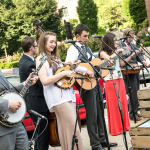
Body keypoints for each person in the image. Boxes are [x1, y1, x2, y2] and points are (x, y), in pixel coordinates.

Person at [65, 24, 117, 150]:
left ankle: (103, 140)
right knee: (92, 115)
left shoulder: (86, 49)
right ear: (77, 36)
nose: (87, 38)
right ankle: (95, 144)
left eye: (87, 36)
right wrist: (85, 71)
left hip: (94, 83)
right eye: (84, 36)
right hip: (85, 84)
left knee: (100, 111)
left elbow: (95, 64)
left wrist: (106, 64)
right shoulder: (73, 49)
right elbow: (70, 64)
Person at [36, 31, 84, 150]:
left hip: (68, 95)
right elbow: (44, 80)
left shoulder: (55, 58)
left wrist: (72, 67)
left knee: (67, 130)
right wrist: (64, 73)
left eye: (54, 41)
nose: (54, 44)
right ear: (43, 42)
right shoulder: (40, 58)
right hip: (57, 98)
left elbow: (63, 76)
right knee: (73, 128)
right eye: (51, 42)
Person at [19, 36, 49, 150]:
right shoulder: (30, 64)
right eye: (36, 46)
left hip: (33, 101)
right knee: (42, 136)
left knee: (39, 135)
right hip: (36, 102)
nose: (37, 49)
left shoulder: (25, 60)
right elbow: (41, 82)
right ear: (32, 48)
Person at [99, 32, 130, 135]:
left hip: (119, 77)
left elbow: (121, 63)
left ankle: (125, 126)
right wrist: (117, 51)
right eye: (114, 40)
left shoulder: (115, 50)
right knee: (113, 104)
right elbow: (109, 59)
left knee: (123, 102)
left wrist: (126, 54)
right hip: (109, 79)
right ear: (109, 41)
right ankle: (116, 129)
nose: (116, 42)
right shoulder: (102, 52)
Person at [116, 28, 149, 121]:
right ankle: (132, 114)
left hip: (135, 71)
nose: (132, 38)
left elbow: (140, 55)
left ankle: (134, 112)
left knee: (136, 93)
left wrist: (144, 61)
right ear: (124, 36)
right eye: (130, 36)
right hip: (127, 72)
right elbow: (121, 59)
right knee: (132, 93)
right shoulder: (119, 45)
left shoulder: (133, 45)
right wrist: (133, 54)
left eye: (132, 36)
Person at [0, 70, 38, 150]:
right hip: (2, 131)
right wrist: (7, 104)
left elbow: (8, 91)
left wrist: (25, 84)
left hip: (16, 124)